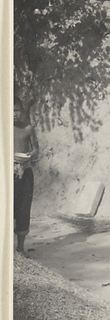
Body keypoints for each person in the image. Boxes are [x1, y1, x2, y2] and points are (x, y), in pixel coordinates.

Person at [14, 97, 39, 255]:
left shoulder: (28, 128)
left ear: (22, 111)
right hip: (8, 173)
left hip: (26, 172)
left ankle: (20, 248)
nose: (14, 114)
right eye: (11, 110)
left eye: (17, 110)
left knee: (24, 208)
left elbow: (36, 148)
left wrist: (30, 155)